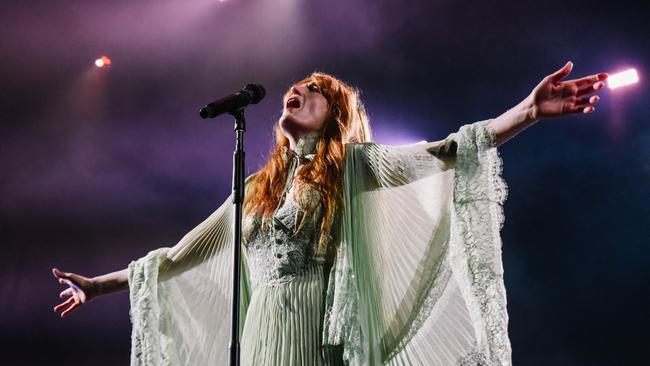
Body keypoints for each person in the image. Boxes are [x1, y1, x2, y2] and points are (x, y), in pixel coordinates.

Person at [53, 61, 608, 365]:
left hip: (315, 340)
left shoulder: (353, 167)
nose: (297, 90)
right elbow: (177, 258)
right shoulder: (254, 187)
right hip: (260, 341)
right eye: (297, 86)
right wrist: (96, 286)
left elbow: (446, 152)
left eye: (315, 90)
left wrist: (528, 112)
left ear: (335, 114)